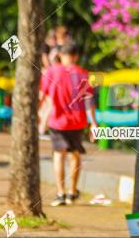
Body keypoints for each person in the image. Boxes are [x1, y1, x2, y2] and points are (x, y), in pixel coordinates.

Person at [39, 43, 96, 206]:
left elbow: (42, 96)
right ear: (76, 56)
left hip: (57, 121)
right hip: (77, 122)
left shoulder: (51, 72)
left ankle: (60, 193)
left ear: (61, 55)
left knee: (58, 155)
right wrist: (94, 124)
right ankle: (72, 192)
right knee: (75, 154)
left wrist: (38, 116)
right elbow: (89, 102)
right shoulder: (83, 74)